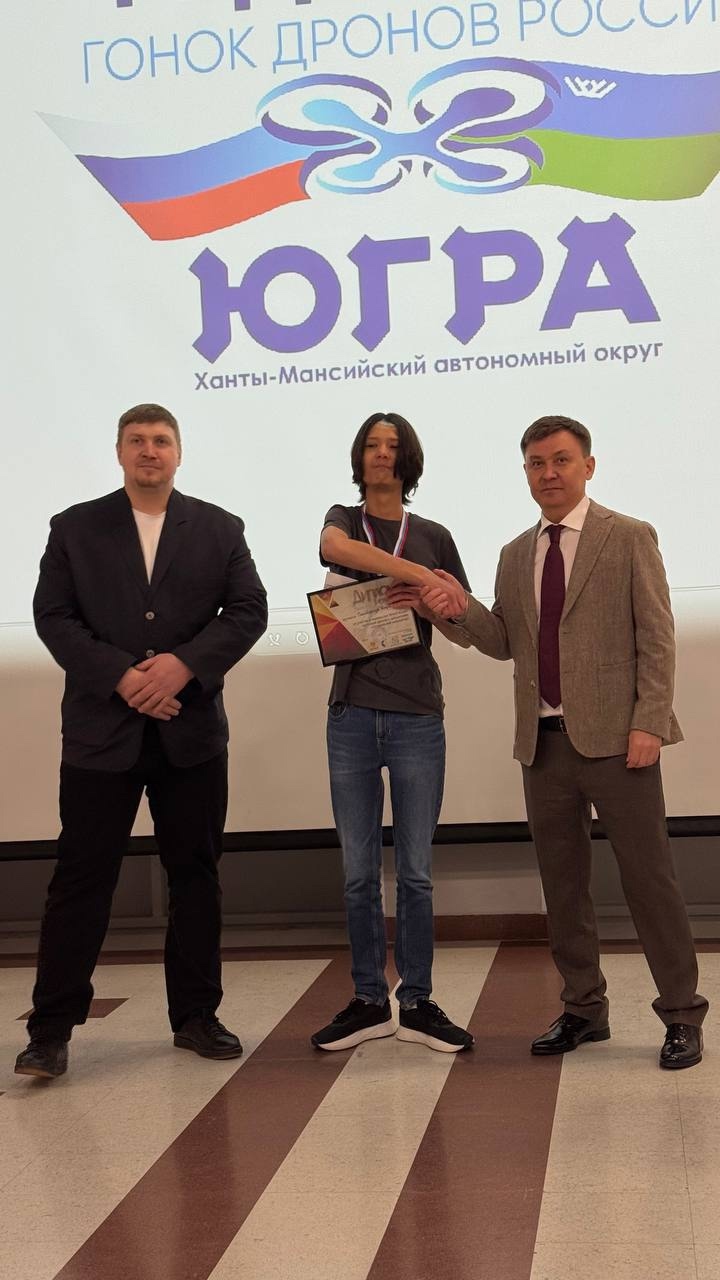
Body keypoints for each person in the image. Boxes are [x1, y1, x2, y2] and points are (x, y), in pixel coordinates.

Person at [420, 414, 707, 1069]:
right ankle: (584, 1009)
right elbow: (503, 642)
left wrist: (649, 721)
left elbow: (657, 637)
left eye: (560, 460)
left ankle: (682, 1014)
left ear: (588, 466)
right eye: (536, 464)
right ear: (525, 473)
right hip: (543, 746)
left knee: (650, 882)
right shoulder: (514, 553)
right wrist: (457, 609)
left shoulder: (628, 536)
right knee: (563, 886)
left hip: (619, 742)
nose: (548, 473)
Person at [15, 404, 268, 1079]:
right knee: (81, 879)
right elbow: (53, 616)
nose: (149, 450)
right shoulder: (74, 527)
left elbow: (249, 610)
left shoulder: (219, 527)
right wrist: (123, 678)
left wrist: (184, 666)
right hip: (102, 734)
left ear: (178, 453)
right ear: (120, 452)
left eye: (160, 440)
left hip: (191, 733)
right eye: (137, 440)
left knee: (195, 875)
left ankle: (196, 1016)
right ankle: (50, 1031)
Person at [310, 412, 474, 1054]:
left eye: (394, 445)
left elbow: (463, 624)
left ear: (409, 460)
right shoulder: (345, 520)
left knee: (415, 873)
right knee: (357, 873)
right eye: (373, 445)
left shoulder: (434, 535)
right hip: (350, 716)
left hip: (416, 716)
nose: (382, 453)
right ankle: (367, 1001)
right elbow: (336, 550)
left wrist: (436, 599)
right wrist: (414, 575)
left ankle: (419, 1001)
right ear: (360, 458)